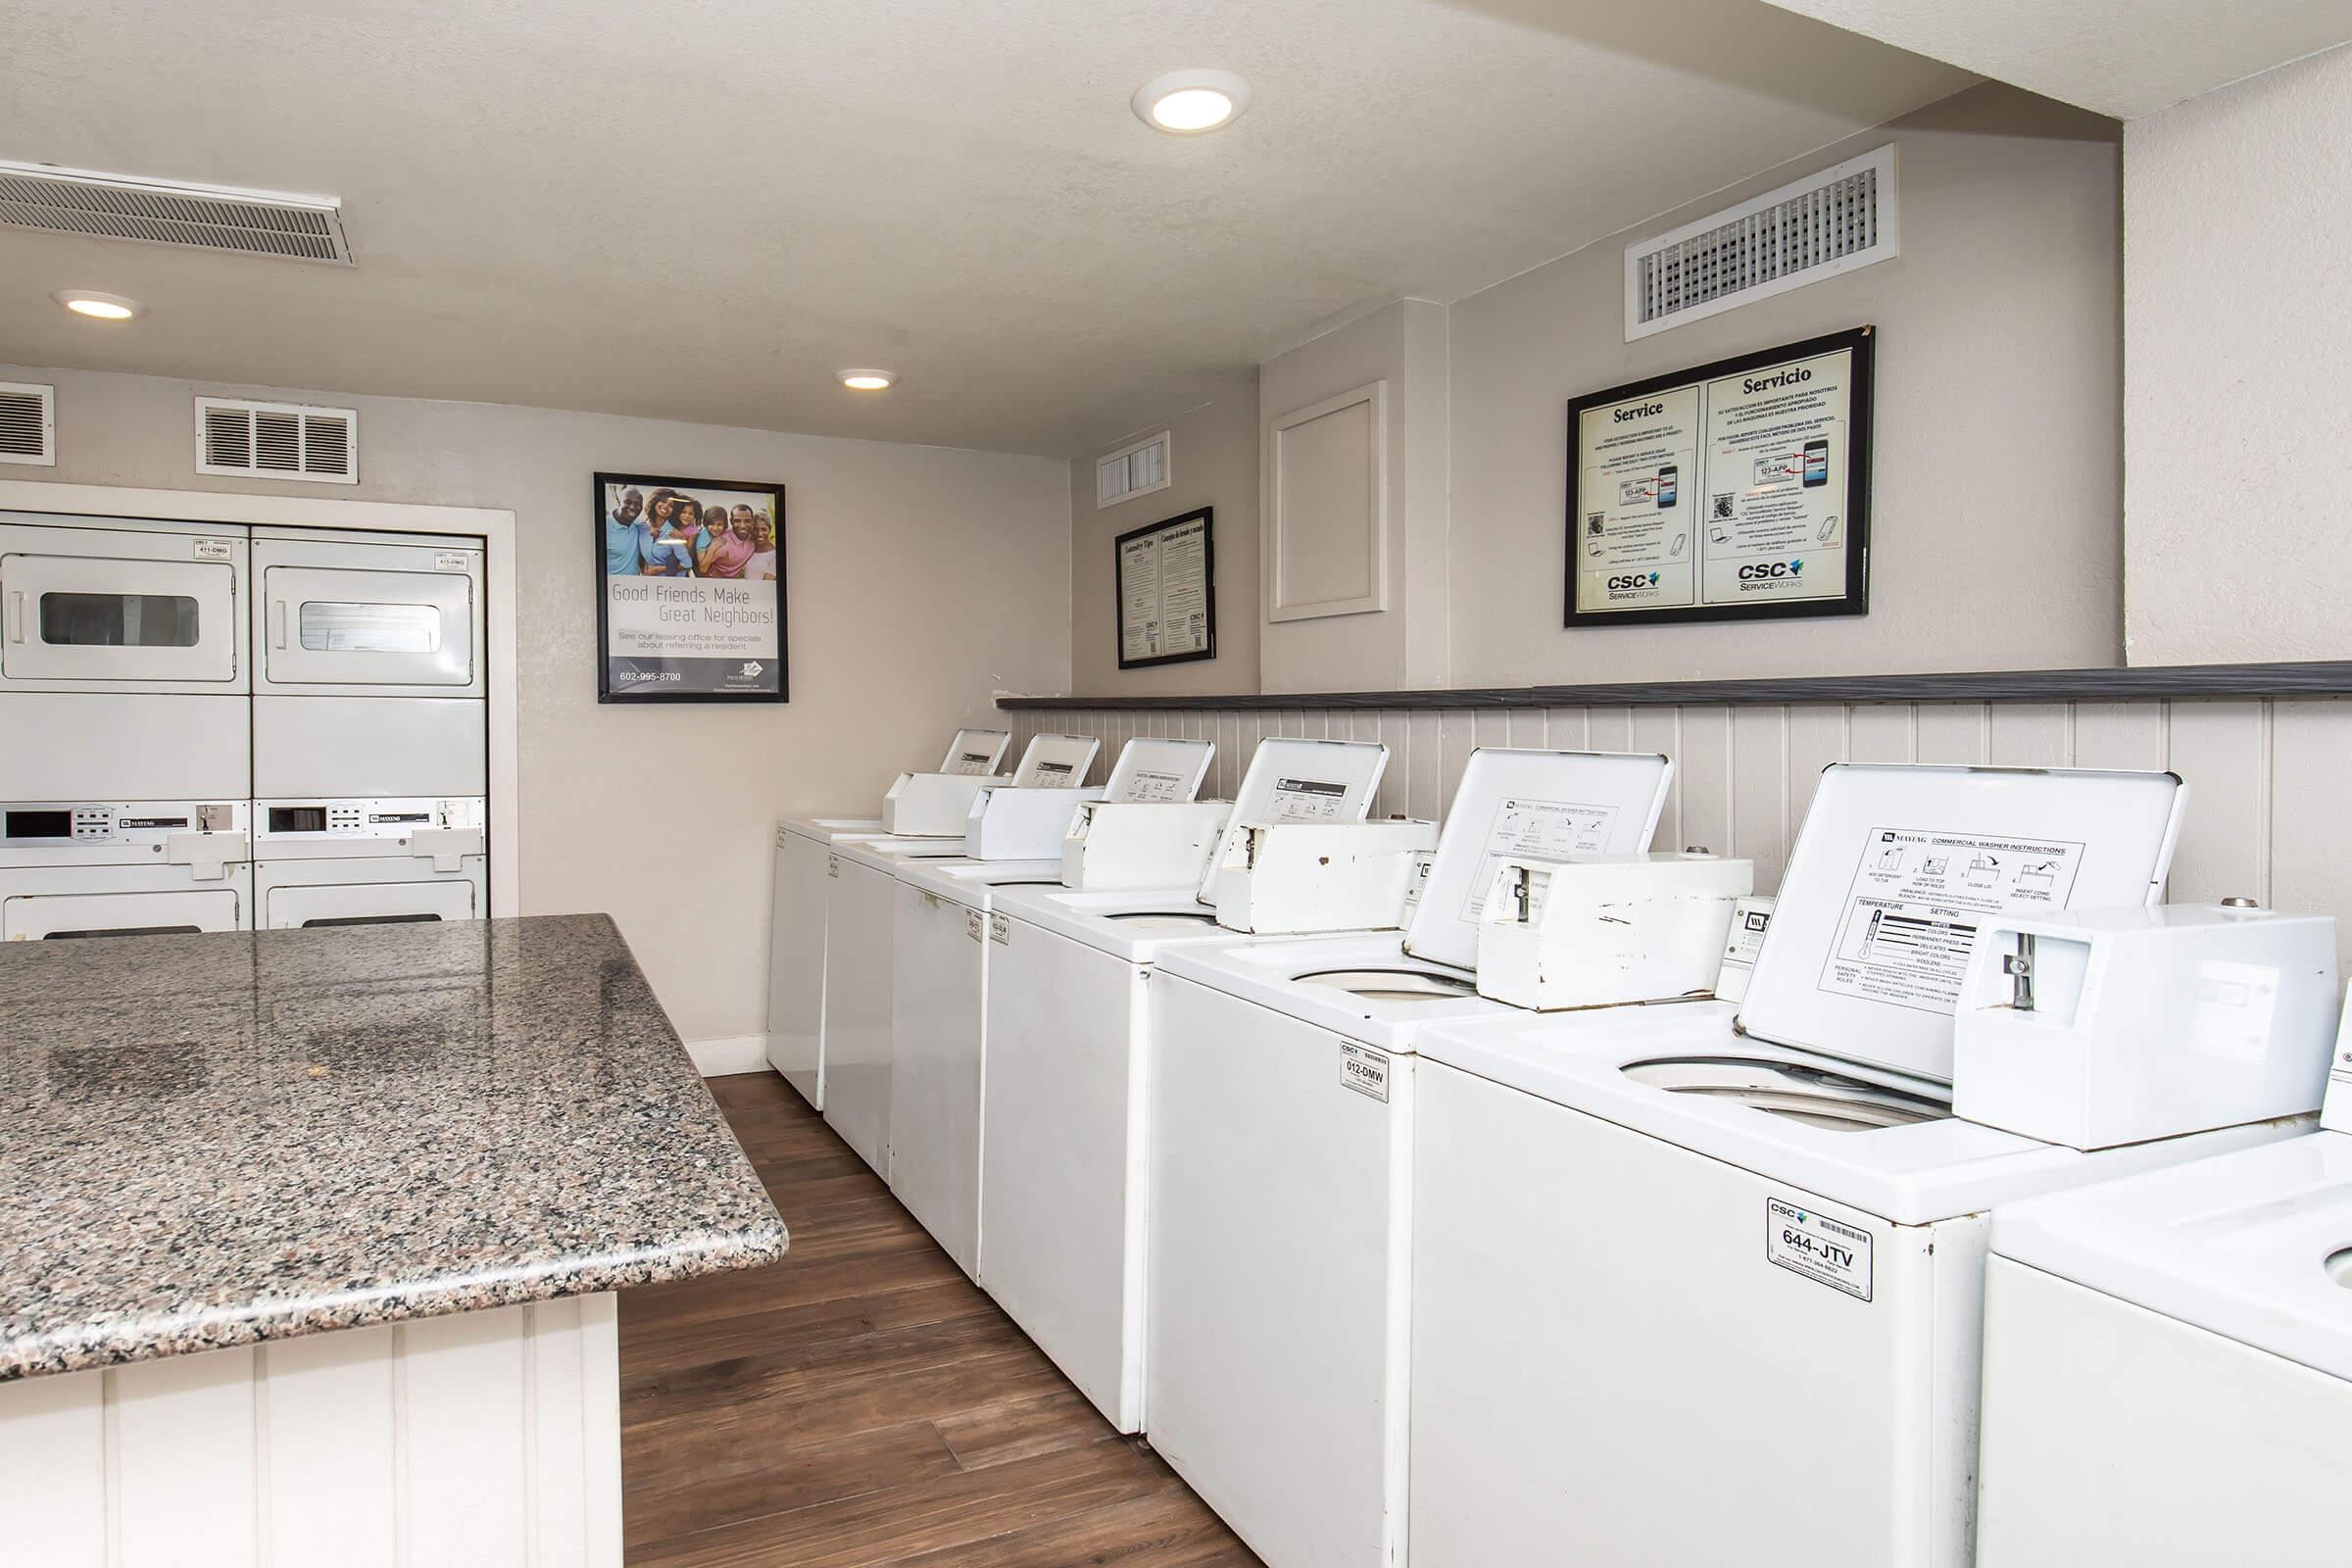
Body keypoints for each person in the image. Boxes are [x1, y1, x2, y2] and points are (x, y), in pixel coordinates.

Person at [602, 487, 654, 575]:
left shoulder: (639, 526)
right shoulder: (604, 527)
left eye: (637, 504)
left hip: (632, 587)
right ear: (619, 502)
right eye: (628, 502)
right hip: (609, 586)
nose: (633, 507)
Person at [697, 502, 757, 579]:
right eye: (737, 521)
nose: (743, 525)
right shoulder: (722, 543)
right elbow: (703, 569)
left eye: (747, 521)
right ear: (731, 521)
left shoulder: (754, 540)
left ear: (752, 521)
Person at [642, 495, 697, 575]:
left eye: (671, 505)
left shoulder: (674, 533)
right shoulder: (643, 527)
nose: (666, 506)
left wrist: (657, 570)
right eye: (663, 501)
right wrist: (650, 527)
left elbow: (687, 563)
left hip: (671, 582)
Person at [745, 511, 778, 582]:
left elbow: (765, 584)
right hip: (744, 592)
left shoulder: (775, 555)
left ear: (770, 529)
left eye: (764, 529)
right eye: (755, 529)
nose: (759, 534)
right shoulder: (750, 549)